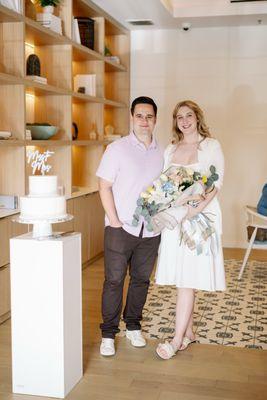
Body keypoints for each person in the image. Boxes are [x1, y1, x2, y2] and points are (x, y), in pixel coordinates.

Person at [155, 100, 226, 360]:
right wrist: (169, 208)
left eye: (189, 115)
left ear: (197, 118)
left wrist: (192, 211)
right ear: (175, 121)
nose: (184, 121)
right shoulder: (170, 149)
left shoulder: (210, 146)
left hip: (201, 218)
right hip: (175, 218)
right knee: (184, 275)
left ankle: (175, 341)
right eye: (179, 117)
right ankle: (190, 332)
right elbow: (165, 185)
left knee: (187, 279)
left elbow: (215, 184)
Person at [96, 96, 164, 356]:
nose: (144, 121)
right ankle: (108, 334)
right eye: (139, 116)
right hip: (119, 228)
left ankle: (133, 327)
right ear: (132, 117)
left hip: (151, 230)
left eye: (149, 116)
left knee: (141, 281)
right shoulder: (117, 149)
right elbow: (104, 185)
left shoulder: (163, 152)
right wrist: (114, 221)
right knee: (113, 281)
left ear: (155, 119)